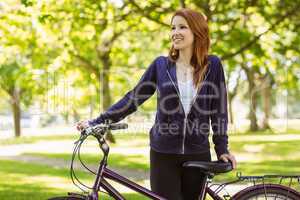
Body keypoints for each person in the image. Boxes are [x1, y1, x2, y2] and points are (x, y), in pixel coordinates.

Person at [77, 8, 237, 200]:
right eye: (173, 28)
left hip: (197, 153)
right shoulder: (161, 66)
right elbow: (133, 98)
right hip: (163, 154)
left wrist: (222, 148)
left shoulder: (213, 66)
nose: (175, 32)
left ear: (197, 32)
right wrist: (98, 121)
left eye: (182, 27)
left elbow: (219, 110)